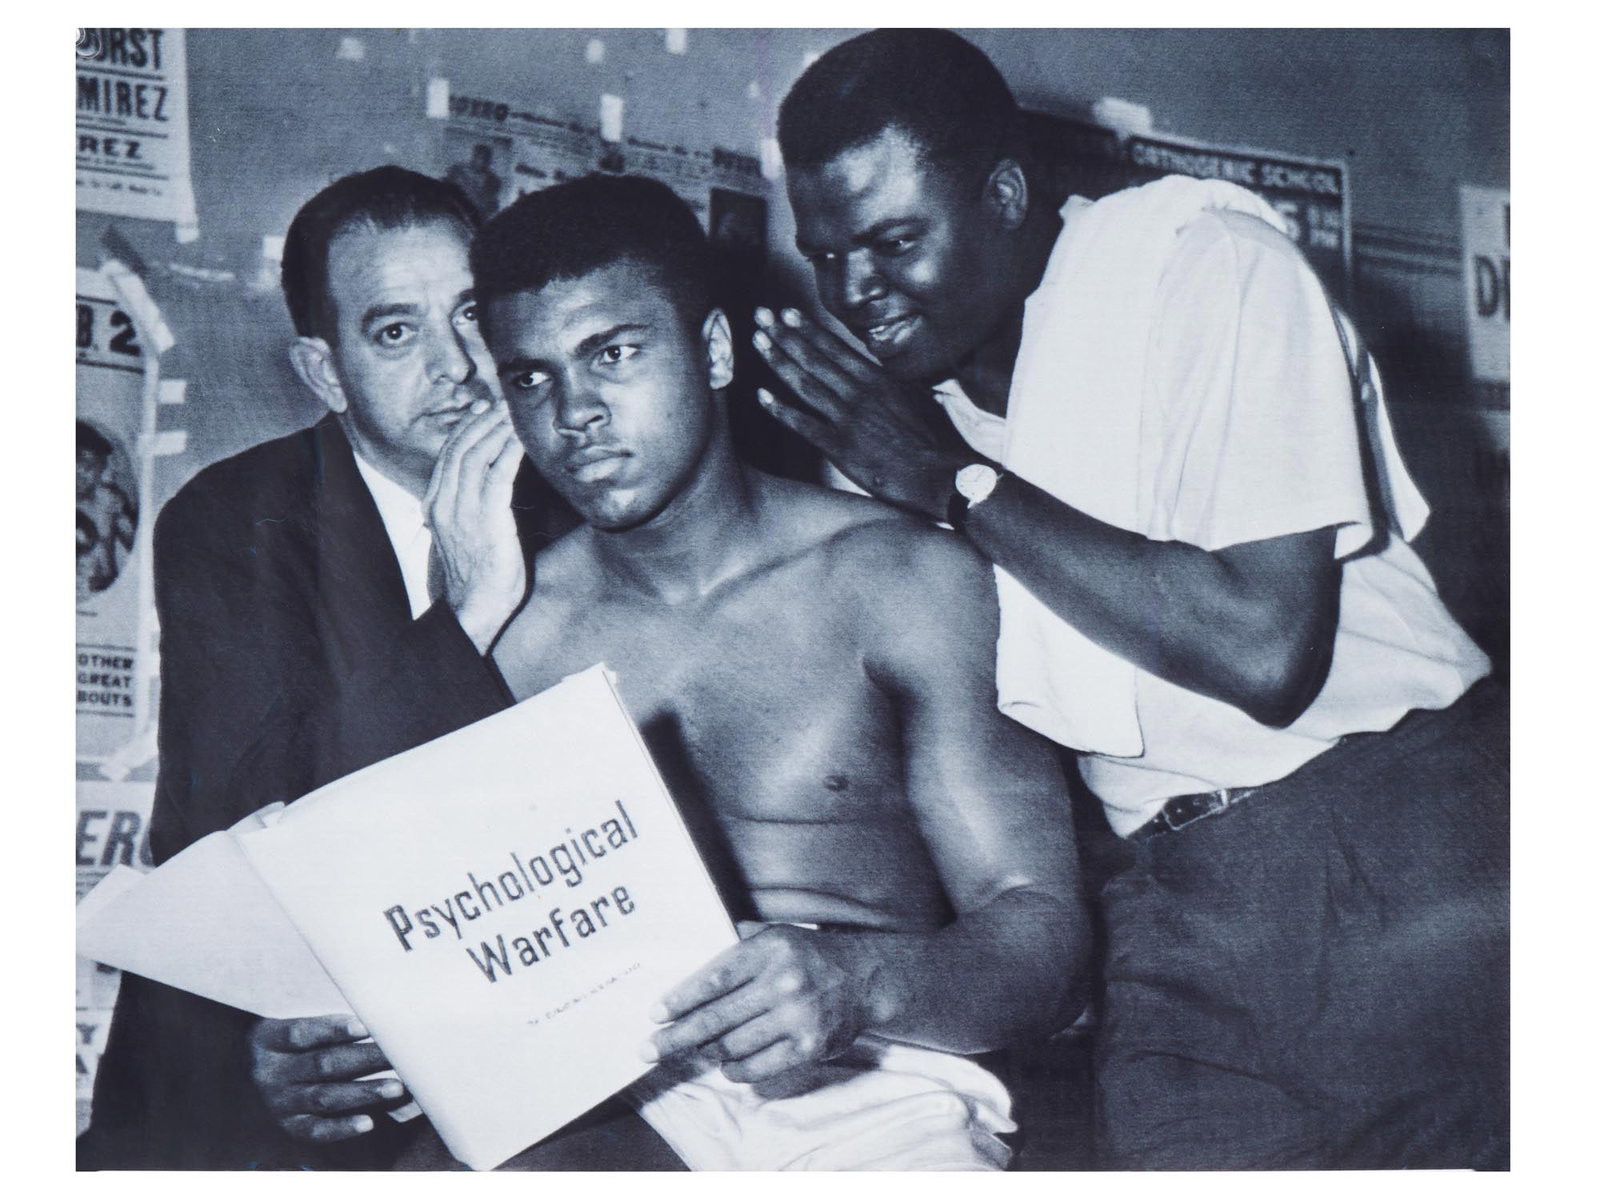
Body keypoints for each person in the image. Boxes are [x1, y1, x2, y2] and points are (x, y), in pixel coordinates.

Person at [755, 28, 1507, 1170]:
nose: (857, 292)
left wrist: (950, 486)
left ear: (1004, 194)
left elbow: (1264, 648)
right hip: (1162, 903)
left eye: (892, 241)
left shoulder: (1198, 265)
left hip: (1389, 835)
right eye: (826, 255)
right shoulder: (898, 424)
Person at [387, 172, 1085, 1172]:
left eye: (613, 353)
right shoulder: (509, 622)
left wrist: (859, 981)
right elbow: (424, 933)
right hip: (625, 1094)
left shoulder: (903, 580)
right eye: (531, 378)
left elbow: (1043, 942)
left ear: (711, 351)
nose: (574, 413)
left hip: (881, 1087)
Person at [80, 166, 573, 1170]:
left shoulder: (578, 502)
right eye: (397, 332)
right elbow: (264, 811)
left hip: (504, 1047)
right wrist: (469, 607)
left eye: (473, 315)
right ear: (325, 371)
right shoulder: (231, 520)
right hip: (250, 1067)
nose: (458, 367)